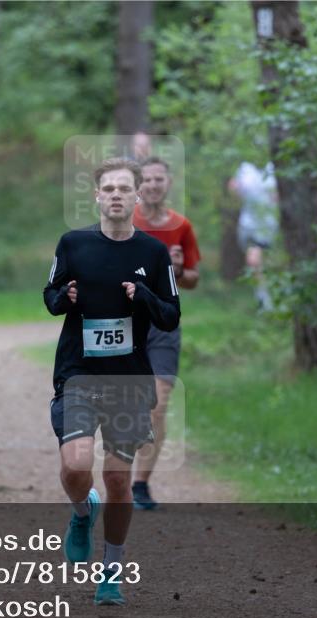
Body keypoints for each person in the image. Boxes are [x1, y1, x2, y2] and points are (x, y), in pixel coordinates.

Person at [44, 157, 180, 606]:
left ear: (138, 196)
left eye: (125, 188)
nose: (117, 195)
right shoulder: (73, 243)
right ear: (98, 196)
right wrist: (65, 297)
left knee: (119, 480)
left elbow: (171, 313)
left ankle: (112, 572)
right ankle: (83, 512)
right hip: (79, 373)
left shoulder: (153, 254)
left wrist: (142, 295)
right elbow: (49, 297)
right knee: (76, 467)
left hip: (127, 378)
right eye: (110, 189)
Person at [130, 156, 201, 510]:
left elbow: (192, 279)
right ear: (138, 185)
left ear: (168, 184)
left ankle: (140, 485)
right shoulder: (124, 221)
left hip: (163, 323)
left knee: (157, 404)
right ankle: (117, 473)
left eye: (160, 179)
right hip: (125, 323)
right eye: (147, 179)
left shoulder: (181, 227)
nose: (153, 185)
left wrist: (175, 269)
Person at [230, 161, 278, 311]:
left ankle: (272, 298)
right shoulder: (245, 168)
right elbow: (233, 187)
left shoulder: (273, 167)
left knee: (267, 263)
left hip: (270, 225)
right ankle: (263, 300)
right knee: (254, 261)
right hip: (249, 225)